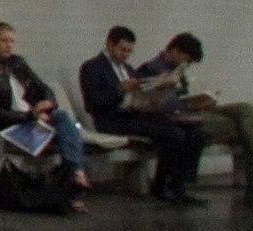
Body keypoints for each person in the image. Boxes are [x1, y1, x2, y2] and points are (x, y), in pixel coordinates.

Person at [133, 32, 253, 208]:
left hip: (194, 111)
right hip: (178, 118)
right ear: (175, 51)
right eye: (187, 60)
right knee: (246, 127)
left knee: (247, 110)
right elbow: (145, 103)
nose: (187, 65)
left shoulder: (178, 72)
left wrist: (202, 100)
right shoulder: (149, 69)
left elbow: (185, 97)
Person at [80, 26, 209, 207]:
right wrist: (119, 90)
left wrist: (153, 99)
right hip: (112, 120)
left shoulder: (128, 69)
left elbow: (140, 94)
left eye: (129, 51)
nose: (126, 54)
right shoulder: (92, 67)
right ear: (109, 44)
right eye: (122, 49)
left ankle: (180, 186)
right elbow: (92, 103)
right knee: (172, 134)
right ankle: (161, 185)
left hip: (134, 115)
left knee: (195, 132)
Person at [0, 22, 87, 206]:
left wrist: (47, 103)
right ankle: (74, 181)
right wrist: (31, 116)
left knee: (64, 119)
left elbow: (42, 87)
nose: (9, 45)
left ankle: (75, 174)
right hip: (13, 123)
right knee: (68, 134)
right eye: (4, 40)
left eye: (12, 41)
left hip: (34, 117)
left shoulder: (18, 63)